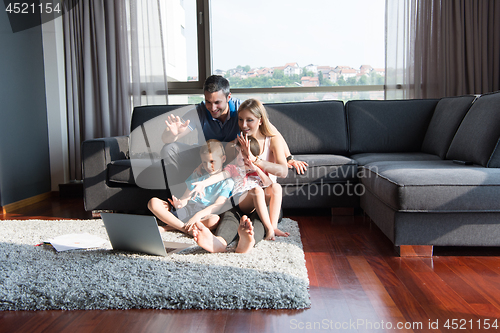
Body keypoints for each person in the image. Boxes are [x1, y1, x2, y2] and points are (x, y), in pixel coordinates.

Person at [191, 98, 291, 253]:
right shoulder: (237, 142)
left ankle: (247, 242)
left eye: (249, 120)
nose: (243, 125)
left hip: (266, 200)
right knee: (230, 216)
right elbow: (220, 160)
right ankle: (219, 242)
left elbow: (283, 172)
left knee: (258, 221)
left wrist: (255, 161)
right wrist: (202, 165)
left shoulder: (272, 140)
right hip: (241, 199)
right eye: (241, 120)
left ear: (260, 120)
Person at [190, 135, 280, 241]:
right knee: (257, 191)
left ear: (253, 156)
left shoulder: (259, 170)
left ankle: (274, 226)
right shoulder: (234, 168)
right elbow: (221, 175)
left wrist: (255, 167)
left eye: (245, 153)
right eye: (238, 153)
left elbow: (269, 184)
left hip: (257, 201)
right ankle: (269, 229)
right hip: (239, 200)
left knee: (276, 187)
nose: (240, 156)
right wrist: (204, 183)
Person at [148, 140, 234, 235]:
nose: (208, 166)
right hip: (188, 209)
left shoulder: (228, 182)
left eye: (212, 161)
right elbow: (186, 197)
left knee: (214, 220)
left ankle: (169, 227)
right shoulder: (198, 175)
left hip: (204, 213)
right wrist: (180, 204)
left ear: (223, 159)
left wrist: (197, 215)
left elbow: (218, 205)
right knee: (153, 202)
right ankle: (183, 228)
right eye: (204, 162)